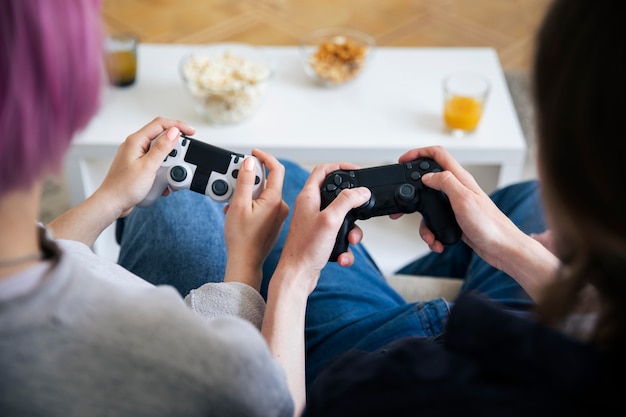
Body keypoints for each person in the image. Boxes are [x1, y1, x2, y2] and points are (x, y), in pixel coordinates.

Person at [116, 0, 623, 415]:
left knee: (175, 199)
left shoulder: (401, 391)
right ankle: (463, 248)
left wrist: (287, 277)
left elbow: (272, 408)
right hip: (515, 326)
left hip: (375, 352)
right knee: (519, 200)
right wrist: (510, 247)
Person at [0, 1, 321, 416]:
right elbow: (276, 402)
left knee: (175, 196)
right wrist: (274, 271)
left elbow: (38, 250)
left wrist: (110, 199)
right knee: (281, 183)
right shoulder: (193, 363)